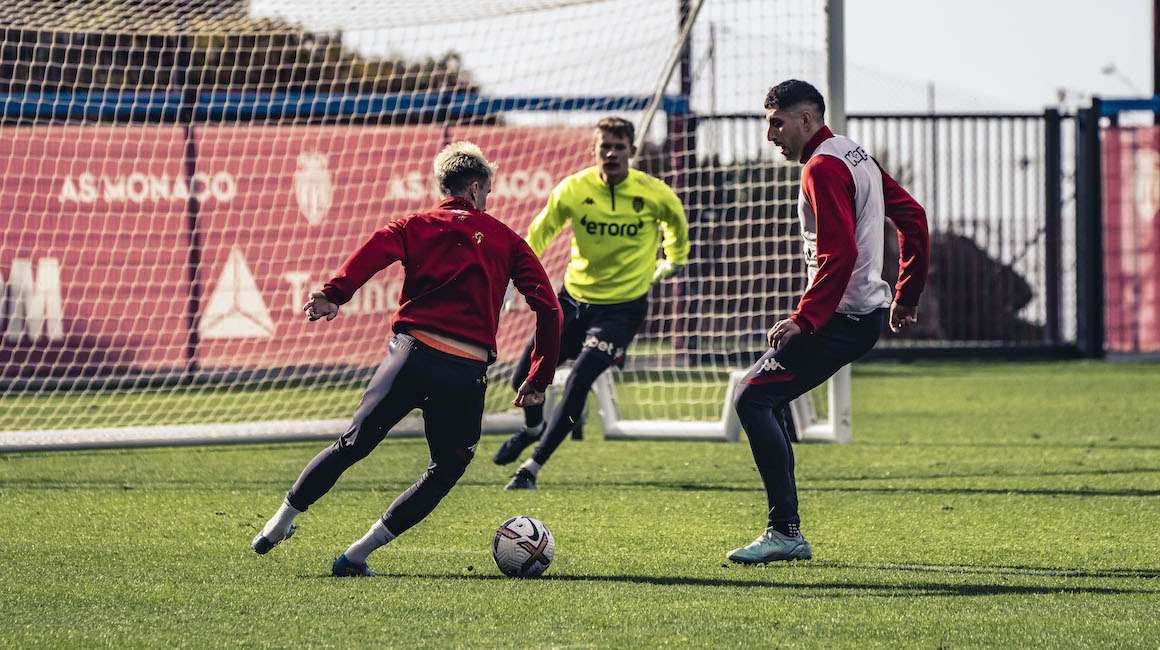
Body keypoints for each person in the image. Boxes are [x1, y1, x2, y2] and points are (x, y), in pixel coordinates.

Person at [251, 142, 562, 576]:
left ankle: (276, 525)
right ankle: (356, 556)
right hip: (464, 372)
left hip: (409, 358)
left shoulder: (415, 224)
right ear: (475, 189)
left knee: (352, 445)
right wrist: (538, 376)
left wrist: (334, 293)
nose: (487, 201)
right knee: (447, 467)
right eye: (487, 192)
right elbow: (549, 308)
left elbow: (377, 248)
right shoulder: (508, 240)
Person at [726, 80, 929, 564]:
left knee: (753, 398)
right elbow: (915, 218)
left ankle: (785, 531)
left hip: (841, 319)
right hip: (863, 315)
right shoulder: (854, 153)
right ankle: (786, 526)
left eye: (777, 122)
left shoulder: (821, 166)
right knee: (766, 400)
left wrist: (804, 318)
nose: (770, 135)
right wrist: (905, 294)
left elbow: (841, 253)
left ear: (805, 120)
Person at [492, 116, 689, 490]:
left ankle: (530, 470)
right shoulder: (573, 189)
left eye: (619, 147)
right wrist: (510, 279)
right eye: (604, 147)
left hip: (622, 311)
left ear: (633, 150)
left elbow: (678, 244)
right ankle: (533, 429)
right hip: (572, 302)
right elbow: (538, 235)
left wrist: (660, 271)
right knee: (523, 378)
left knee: (579, 381)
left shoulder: (657, 195)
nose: (611, 154)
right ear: (594, 150)